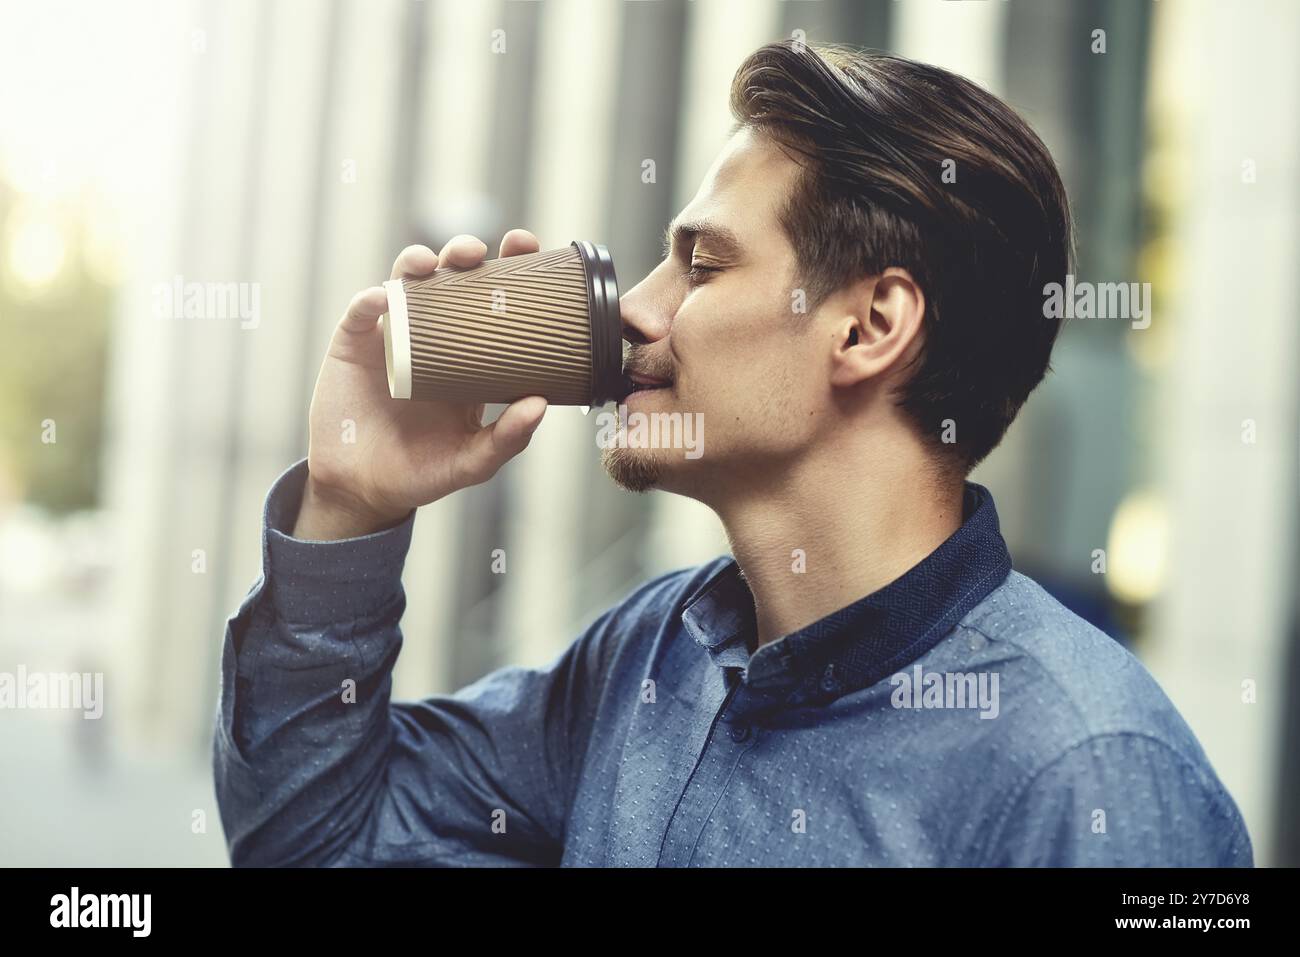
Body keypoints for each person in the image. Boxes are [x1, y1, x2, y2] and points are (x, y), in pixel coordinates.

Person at [212, 41, 1252, 867]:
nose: (638, 313)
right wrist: (350, 506)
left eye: (700, 265)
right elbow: (316, 843)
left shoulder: (1092, 776)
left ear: (867, 326)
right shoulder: (647, 656)